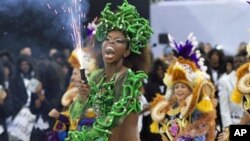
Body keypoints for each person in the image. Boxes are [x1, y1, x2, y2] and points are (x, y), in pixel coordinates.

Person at [66, 0, 153, 141]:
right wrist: (81, 98)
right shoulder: (95, 77)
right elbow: (75, 114)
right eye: (107, 39)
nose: (111, 43)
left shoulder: (129, 80)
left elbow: (114, 120)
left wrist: (86, 137)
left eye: (118, 40)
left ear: (126, 52)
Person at [149, 33, 216, 141]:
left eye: (182, 87)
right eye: (177, 87)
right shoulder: (172, 106)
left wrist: (184, 137)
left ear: (190, 89)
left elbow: (202, 131)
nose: (179, 90)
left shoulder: (197, 106)